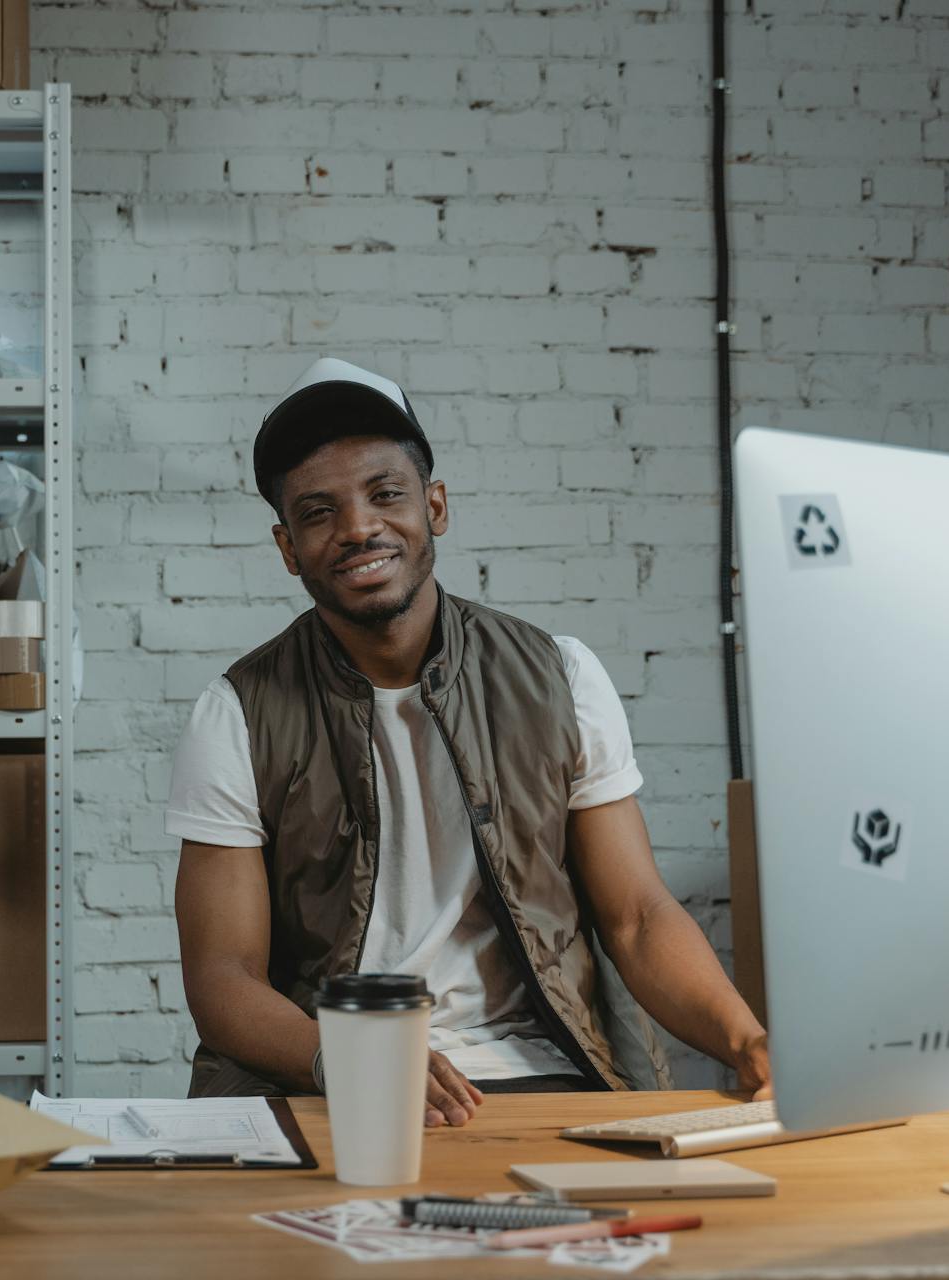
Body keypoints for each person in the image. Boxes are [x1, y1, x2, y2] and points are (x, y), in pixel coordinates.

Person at [168, 357, 770, 1127]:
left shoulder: (559, 676)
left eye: (386, 494)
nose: (358, 528)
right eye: (319, 513)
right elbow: (223, 975)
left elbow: (638, 917)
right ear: (288, 549)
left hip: (543, 1074)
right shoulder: (236, 714)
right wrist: (345, 1057)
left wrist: (747, 1041)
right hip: (327, 1085)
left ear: (436, 506)